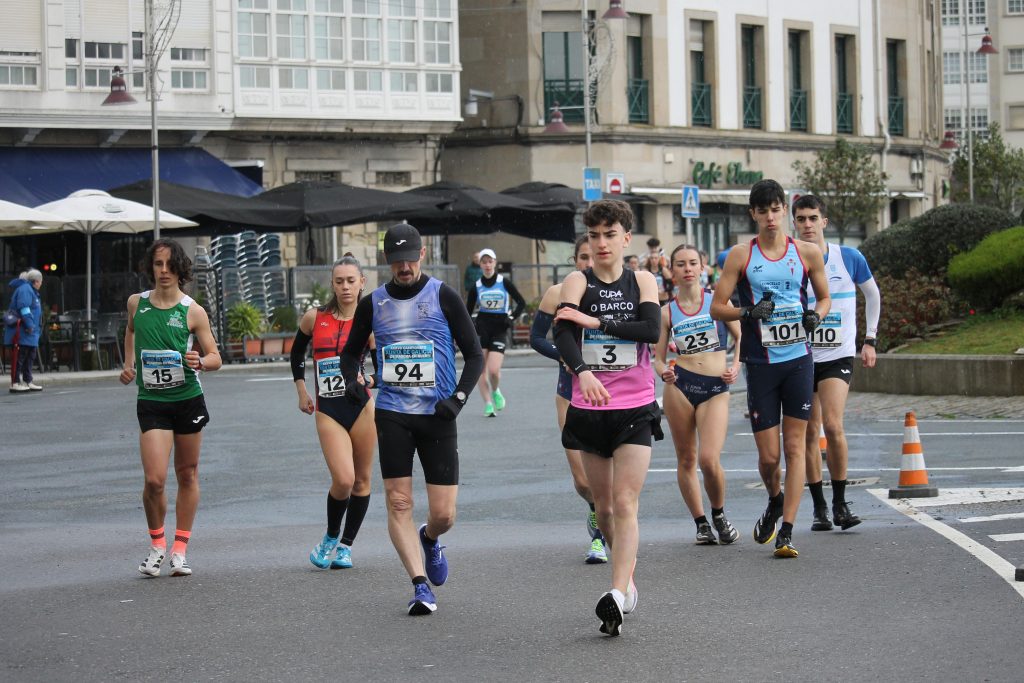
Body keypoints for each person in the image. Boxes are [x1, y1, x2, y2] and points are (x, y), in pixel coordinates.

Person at [339, 222, 483, 616]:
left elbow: (474, 354)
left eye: (410, 259)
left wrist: (458, 399)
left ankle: (430, 538)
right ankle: (420, 585)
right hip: (393, 413)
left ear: (422, 254)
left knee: (444, 514)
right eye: (397, 261)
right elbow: (350, 353)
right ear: (387, 260)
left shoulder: (443, 295)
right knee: (399, 501)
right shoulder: (373, 303)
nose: (404, 267)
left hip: (438, 413)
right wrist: (352, 381)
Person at [553, 199, 663, 637]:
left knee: (624, 501)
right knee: (603, 507)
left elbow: (650, 330)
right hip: (590, 406)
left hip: (635, 406)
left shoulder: (643, 280)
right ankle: (626, 578)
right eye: (594, 235)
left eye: (610, 235)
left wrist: (595, 323)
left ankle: (616, 592)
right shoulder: (577, 280)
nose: (601, 243)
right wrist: (582, 371)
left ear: (626, 238)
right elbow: (563, 331)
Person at [711, 179, 830, 559]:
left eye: (776, 210)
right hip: (761, 363)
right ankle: (775, 499)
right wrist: (747, 312)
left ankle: (787, 532)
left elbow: (824, 298)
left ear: (784, 211)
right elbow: (717, 307)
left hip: (798, 360)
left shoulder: (807, 252)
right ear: (754, 214)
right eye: (763, 211)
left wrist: (815, 316)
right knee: (769, 458)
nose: (770, 217)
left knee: (795, 447)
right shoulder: (741, 255)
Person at [120, 239, 222, 578]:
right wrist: (128, 363)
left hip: (187, 399)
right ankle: (157, 545)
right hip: (152, 401)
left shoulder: (193, 311)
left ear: (180, 269)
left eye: (170, 265)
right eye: (158, 264)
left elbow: (216, 356)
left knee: (187, 474)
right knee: (154, 480)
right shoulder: (136, 303)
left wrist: (201, 361)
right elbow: (131, 331)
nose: (164, 271)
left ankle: (180, 550)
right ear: (151, 267)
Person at [793, 195, 881, 532]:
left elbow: (872, 294)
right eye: (801, 219)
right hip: (800, 356)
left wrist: (870, 339)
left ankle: (841, 502)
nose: (807, 224)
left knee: (833, 425)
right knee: (809, 431)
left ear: (824, 222)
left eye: (813, 218)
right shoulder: (789, 261)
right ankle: (819, 507)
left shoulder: (849, 257)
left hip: (837, 355)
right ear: (794, 223)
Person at [291, 256, 377, 570]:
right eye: (339, 281)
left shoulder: (370, 321)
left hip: (362, 407)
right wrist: (301, 390)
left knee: (362, 480)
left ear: (362, 282)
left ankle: (346, 546)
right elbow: (297, 352)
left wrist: (369, 380)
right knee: (343, 479)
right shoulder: (315, 317)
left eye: (351, 281)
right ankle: (330, 536)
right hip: (328, 408)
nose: (345, 287)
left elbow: (383, 369)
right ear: (332, 283)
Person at [653, 245, 742, 545]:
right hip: (680, 386)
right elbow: (657, 358)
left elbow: (740, 336)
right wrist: (663, 372)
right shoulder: (666, 311)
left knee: (708, 459)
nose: (688, 269)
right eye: (680, 264)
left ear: (703, 267)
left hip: (715, 386)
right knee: (687, 458)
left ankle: (719, 513)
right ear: (672, 271)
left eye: (693, 263)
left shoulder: (718, 301)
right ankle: (701, 523)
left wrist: (735, 365)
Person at [529, 235, 607, 564]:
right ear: (575, 261)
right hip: (569, 390)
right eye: (583, 257)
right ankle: (593, 507)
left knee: (609, 474)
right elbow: (536, 337)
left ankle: (601, 538)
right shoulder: (557, 293)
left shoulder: (617, 295)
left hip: (611, 390)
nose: (590, 263)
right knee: (582, 479)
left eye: (594, 256)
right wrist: (561, 354)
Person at [465, 248, 526, 417]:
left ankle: (496, 390)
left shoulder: (503, 282)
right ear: (480, 264)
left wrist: (511, 317)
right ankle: (488, 404)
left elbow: (521, 302)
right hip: (483, 328)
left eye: (490, 261)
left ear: (495, 263)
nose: (487, 265)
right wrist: (469, 328)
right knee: (480, 370)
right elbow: (466, 312)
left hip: (500, 328)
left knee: (493, 370)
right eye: (484, 262)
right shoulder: (476, 286)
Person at [5, 269, 43, 392]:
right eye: (40, 281)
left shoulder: (30, 290)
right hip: (24, 331)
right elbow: (24, 308)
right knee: (20, 357)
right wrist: (30, 325)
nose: (41, 284)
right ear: (36, 281)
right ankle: (15, 382)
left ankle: (28, 380)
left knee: (29, 356)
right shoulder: (26, 290)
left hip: (29, 332)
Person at [640, 237, 672, 305]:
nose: (654, 250)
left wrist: (667, 291)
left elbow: (670, 279)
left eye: (655, 247)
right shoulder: (644, 258)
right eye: (652, 248)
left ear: (658, 247)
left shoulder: (665, 258)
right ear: (649, 248)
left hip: (662, 294)